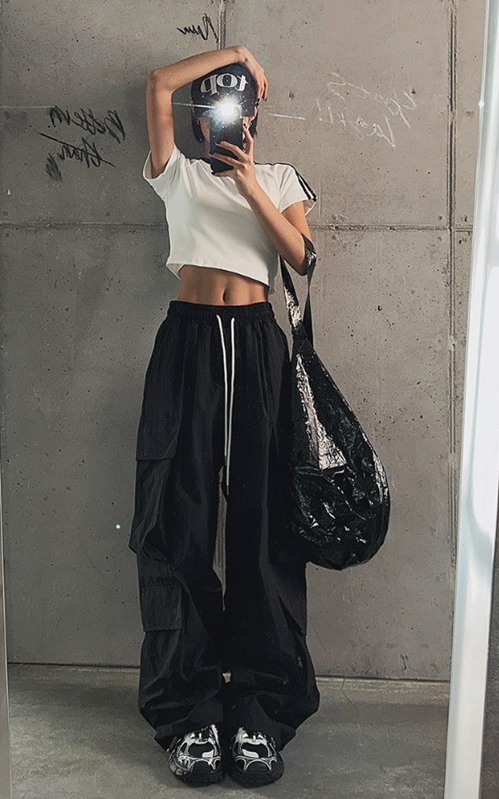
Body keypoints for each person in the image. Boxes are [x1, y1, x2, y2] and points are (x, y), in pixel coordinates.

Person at [128, 44, 320, 787]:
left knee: (263, 524)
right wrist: (237, 53)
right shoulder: (175, 171)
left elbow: (302, 256)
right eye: (214, 107)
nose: (226, 119)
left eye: (238, 105)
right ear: (201, 118)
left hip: (257, 343)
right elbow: (157, 83)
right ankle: (191, 713)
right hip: (188, 344)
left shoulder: (279, 178)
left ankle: (260, 711)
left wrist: (249, 184)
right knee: (179, 518)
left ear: (255, 116)